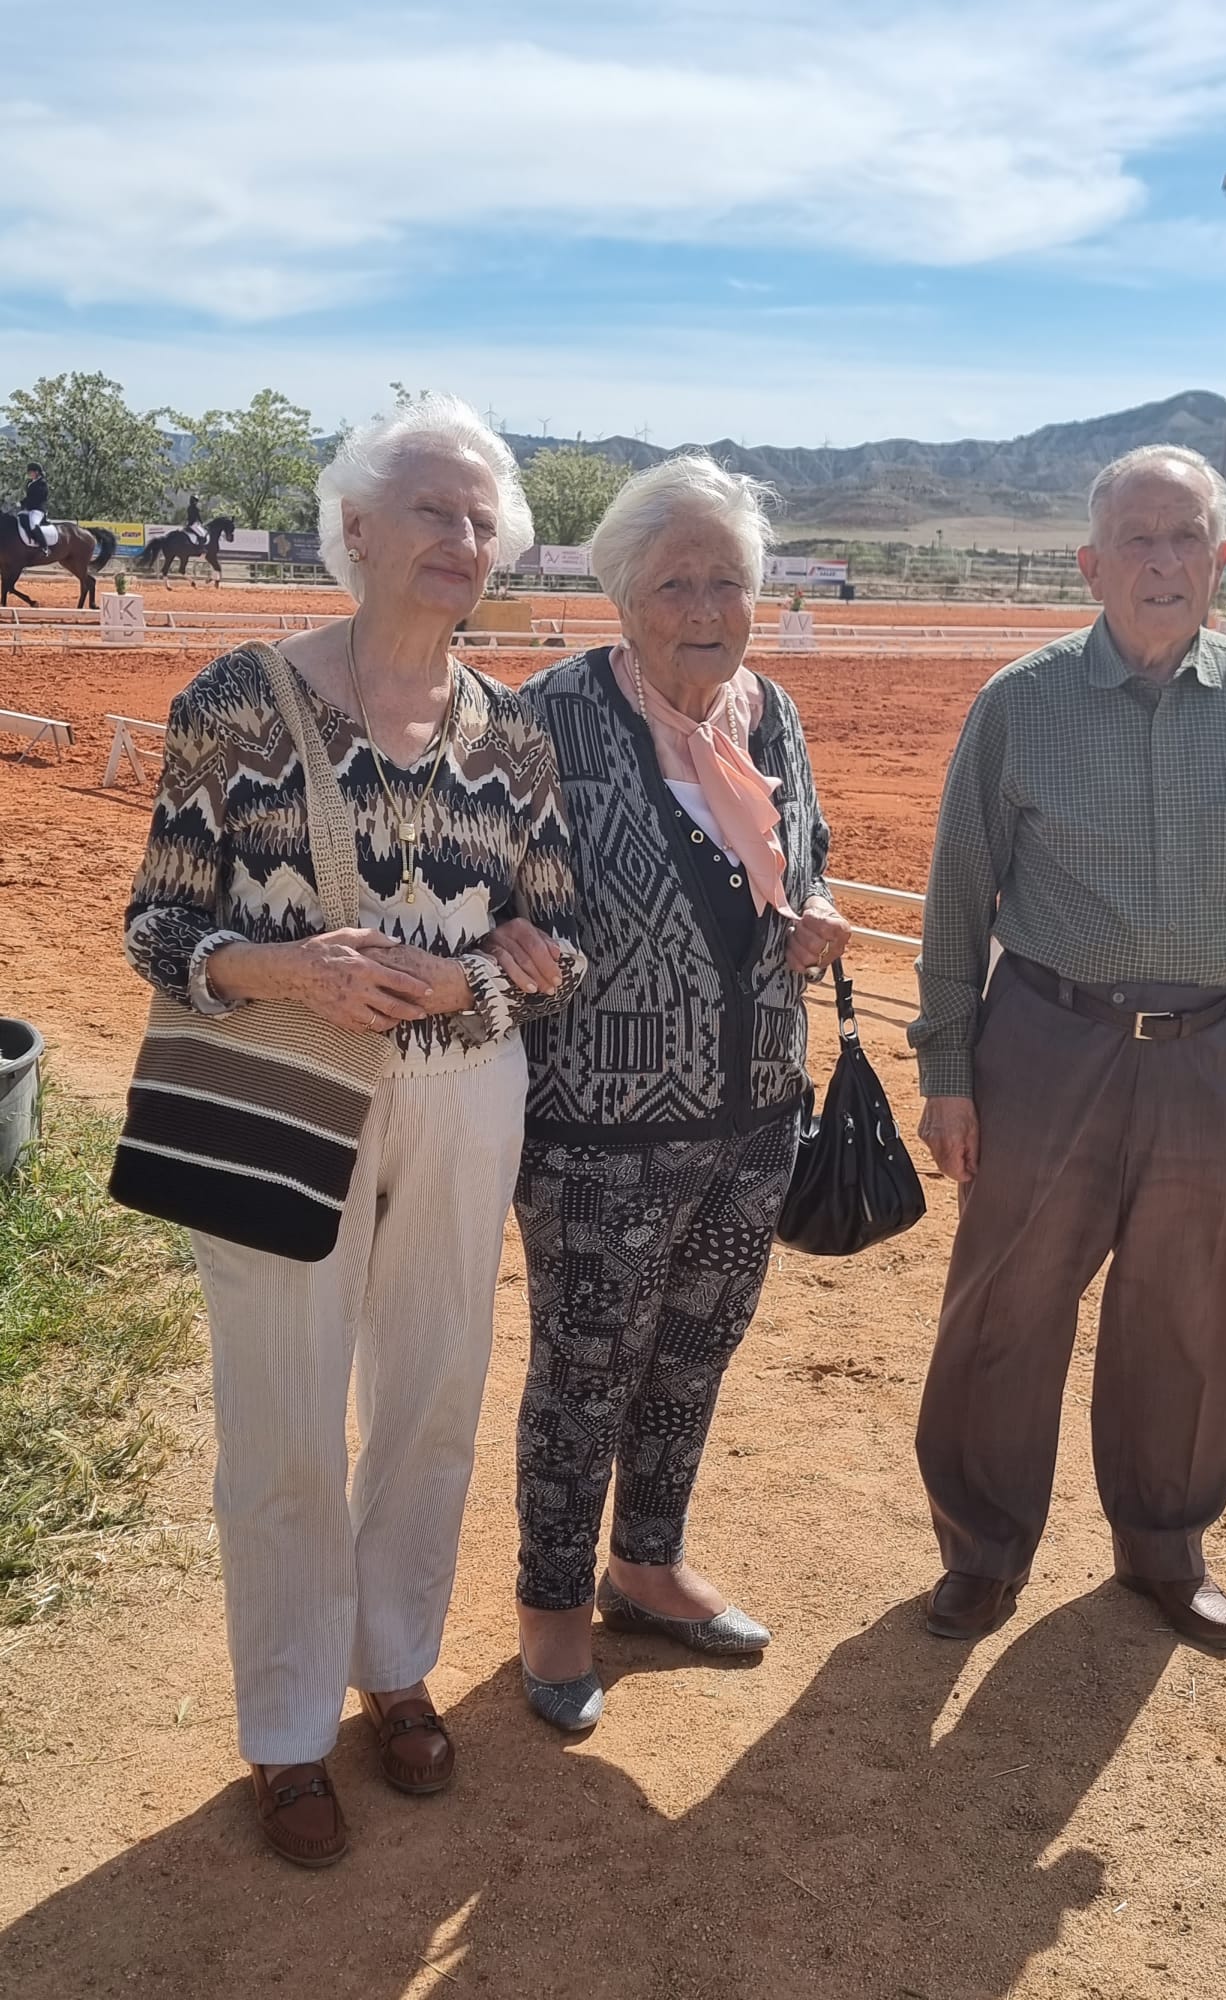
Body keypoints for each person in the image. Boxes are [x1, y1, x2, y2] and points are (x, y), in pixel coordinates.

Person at [123, 394, 582, 1866]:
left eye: (481, 519)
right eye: (432, 511)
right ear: (358, 529)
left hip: (463, 1091)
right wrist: (283, 966)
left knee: (436, 1397)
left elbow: (550, 935)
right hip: (277, 1081)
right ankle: (282, 1727)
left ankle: (396, 1662)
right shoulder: (235, 705)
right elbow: (156, 927)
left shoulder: (515, 731)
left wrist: (490, 975)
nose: (462, 538)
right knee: (280, 1415)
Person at [910, 443, 1226, 1655]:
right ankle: (984, 1548)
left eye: (1185, 540)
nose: (1161, 563)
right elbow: (958, 901)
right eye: (1137, 540)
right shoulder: (1020, 703)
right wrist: (947, 1071)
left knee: (1191, 1309)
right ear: (1090, 562)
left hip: (1217, 1048)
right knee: (1007, 1300)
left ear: (1221, 559)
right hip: (1048, 1038)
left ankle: (1164, 1546)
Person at [506, 454, 851, 1730]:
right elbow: (485, 890)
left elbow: (804, 846)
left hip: (758, 1104)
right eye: (674, 582)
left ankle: (645, 1562)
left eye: (728, 580)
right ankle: (550, 1606)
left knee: (695, 1351)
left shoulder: (771, 714)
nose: (705, 606)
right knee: (585, 1362)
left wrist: (810, 903)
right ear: (618, 594)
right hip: (597, 1123)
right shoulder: (543, 717)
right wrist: (507, 940)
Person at [18, 462, 52, 547]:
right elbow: (29, 497)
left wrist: (27, 504)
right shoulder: (30, 483)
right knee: (19, 517)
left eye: (31, 472)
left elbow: (39, 498)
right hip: (29, 509)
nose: (29, 474)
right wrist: (20, 503)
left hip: (38, 509)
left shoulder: (42, 483)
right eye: (28, 473)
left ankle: (44, 546)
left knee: (33, 523)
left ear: (37, 472)